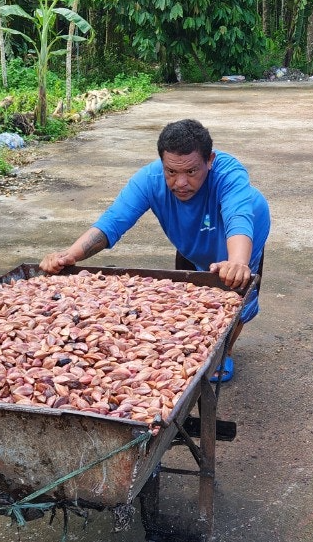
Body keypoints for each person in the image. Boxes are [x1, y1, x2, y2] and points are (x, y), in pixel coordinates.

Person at [39, 119, 270, 382]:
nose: (180, 182)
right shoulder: (149, 179)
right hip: (189, 235)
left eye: (191, 172)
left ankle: (223, 351)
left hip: (240, 232)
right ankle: (194, 345)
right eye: (171, 172)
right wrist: (71, 255)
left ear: (210, 160)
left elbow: (238, 217)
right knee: (188, 297)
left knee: (234, 292)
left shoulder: (229, 174)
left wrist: (238, 262)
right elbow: (113, 221)